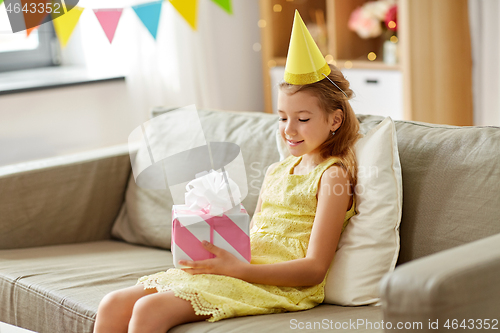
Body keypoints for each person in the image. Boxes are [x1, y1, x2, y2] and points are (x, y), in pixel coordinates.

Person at [94, 11, 360, 333]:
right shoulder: (277, 170)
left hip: (275, 282)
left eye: (302, 119)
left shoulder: (332, 176)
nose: (289, 129)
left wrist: (238, 270)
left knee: (151, 309)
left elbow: (314, 269)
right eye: (281, 117)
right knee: (113, 303)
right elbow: (251, 235)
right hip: (241, 266)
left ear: (334, 120)